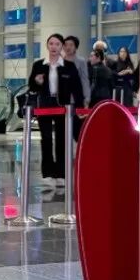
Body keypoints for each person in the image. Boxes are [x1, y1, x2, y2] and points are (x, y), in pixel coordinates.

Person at [27, 33, 84, 194]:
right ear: (47, 46)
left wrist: (79, 108)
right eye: (51, 43)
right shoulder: (39, 65)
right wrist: (37, 82)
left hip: (62, 106)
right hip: (44, 105)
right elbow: (31, 86)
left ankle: (61, 174)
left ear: (62, 47)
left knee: (61, 140)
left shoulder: (68, 66)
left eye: (57, 44)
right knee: (45, 139)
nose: (54, 47)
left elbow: (77, 88)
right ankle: (47, 174)